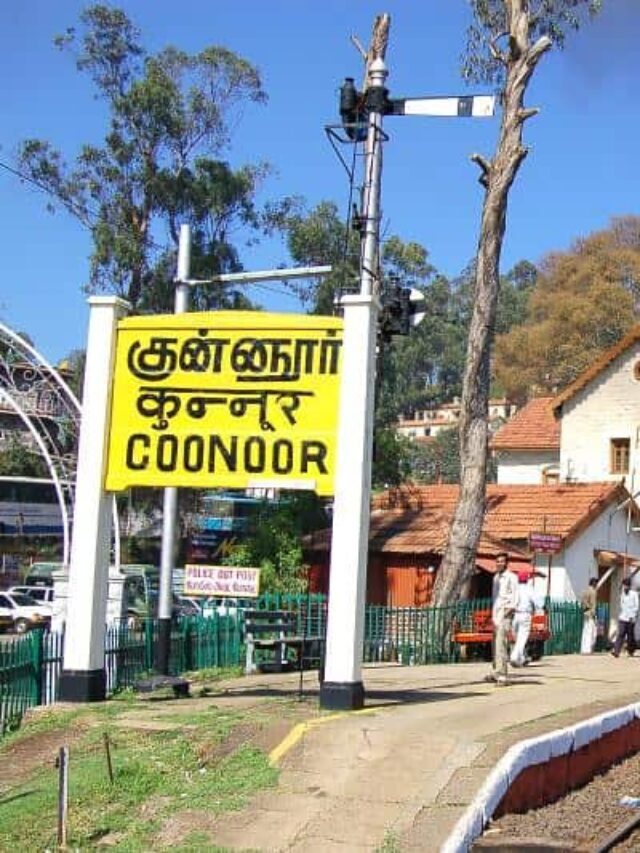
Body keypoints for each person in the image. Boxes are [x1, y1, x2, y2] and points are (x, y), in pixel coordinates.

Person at [486, 552, 518, 686]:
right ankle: (496, 671)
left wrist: (509, 610)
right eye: (497, 561)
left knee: (501, 644)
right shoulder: (496, 578)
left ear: (506, 563)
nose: (499, 563)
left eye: (502, 561)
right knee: (495, 645)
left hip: (505, 613)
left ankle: (503, 675)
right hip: (496, 614)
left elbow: (516, 596)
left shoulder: (511, 577)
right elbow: (495, 597)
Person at [510, 571, 536, 667]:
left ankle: (522, 658)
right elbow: (537, 600)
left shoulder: (515, 589)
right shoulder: (529, 589)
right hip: (525, 615)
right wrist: (542, 607)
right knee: (522, 638)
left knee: (517, 638)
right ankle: (514, 657)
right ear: (527, 580)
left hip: (515, 615)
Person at [612, 577, 639, 657]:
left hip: (631, 618)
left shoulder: (634, 594)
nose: (625, 587)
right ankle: (616, 651)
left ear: (629, 586)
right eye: (624, 585)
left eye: (626, 585)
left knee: (630, 636)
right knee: (621, 633)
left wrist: (633, 616)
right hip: (623, 617)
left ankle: (631, 650)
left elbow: (636, 606)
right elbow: (622, 605)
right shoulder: (622, 594)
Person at [580, 577, 598, 654]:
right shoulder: (593, 592)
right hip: (590, 613)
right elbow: (593, 604)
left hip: (585, 613)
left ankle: (583, 649)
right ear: (593, 583)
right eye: (596, 583)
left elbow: (583, 602)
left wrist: (586, 609)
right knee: (591, 632)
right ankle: (588, 649)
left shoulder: (585, 591)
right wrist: (593, 614)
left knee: (585, 631)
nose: (596, 584)